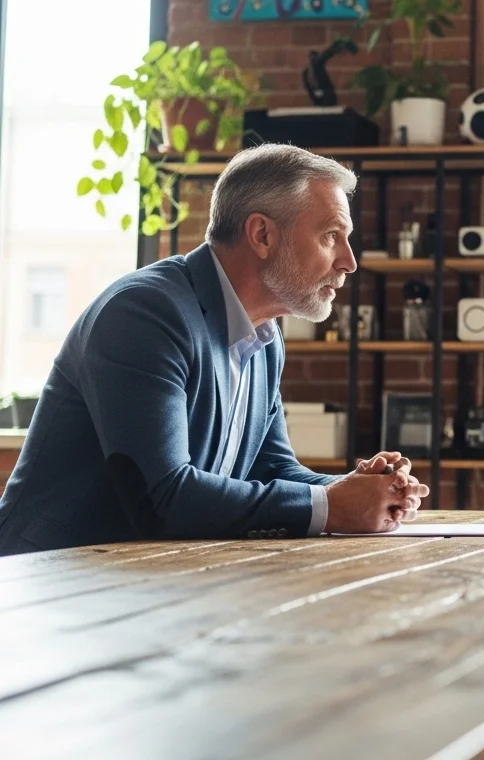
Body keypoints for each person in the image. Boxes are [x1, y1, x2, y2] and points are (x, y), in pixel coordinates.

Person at [0, 144, 429, 555]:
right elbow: (163, 498)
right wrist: (332, 507)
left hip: (144, 583)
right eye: (331, 236)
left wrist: (362, 490)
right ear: (262, 234)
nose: (349, 261)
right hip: (45, 587)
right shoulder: (146, 314)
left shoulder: (265, 337)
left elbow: (273, 470)